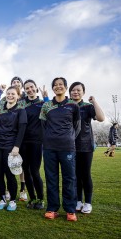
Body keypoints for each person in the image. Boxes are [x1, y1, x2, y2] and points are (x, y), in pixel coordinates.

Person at [40, 77, 80, 222]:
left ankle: (70, 210)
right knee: (51, 178)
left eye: (61, 85)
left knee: (69, 178)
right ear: (53, 88)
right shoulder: (47, 106)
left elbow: (77, 126)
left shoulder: (73, 105)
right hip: (49, 147)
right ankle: (52, 208)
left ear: (65, 87)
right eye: (55, 85)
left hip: (67, 147)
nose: (58, 87)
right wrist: (49, 139)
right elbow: (43, 126)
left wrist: (68, 138)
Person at [70, 82, 105, 214]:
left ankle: (88, 202)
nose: (75, 92)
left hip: (85, 146)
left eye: (78, 90)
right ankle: (78, 201)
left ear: (83, 93)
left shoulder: (87, 107)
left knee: (85, 174)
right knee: (75, 176)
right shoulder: (68, 106)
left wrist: (94, 102)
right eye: (73, 90)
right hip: (70, 146)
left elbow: (101, 118)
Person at [17, 79, 48, 210]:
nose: (30, 90)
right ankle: (32, 198)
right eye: (27, 88)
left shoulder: (42, 103)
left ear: (36, 87)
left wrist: (46, 97)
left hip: (37, 141)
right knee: (26, 171)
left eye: (31, 87)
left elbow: (51, 110)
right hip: (23, 142)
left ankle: (41, 199)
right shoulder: (21, 104)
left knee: (35, 171)